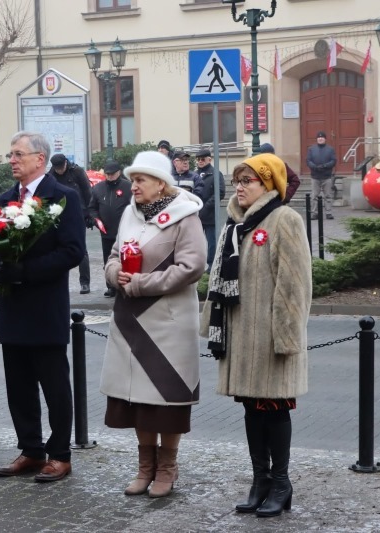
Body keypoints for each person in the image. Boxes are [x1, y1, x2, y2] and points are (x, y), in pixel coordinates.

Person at [201, 153, 311, 518]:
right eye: (237, 180)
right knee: (251, 409)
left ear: (268, 184)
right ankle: (260, 480)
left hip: (271, 337)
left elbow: (295, 285)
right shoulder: (235, 225)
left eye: (247, 180)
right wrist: (212, 326)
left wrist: (287, 335)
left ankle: (281, 482)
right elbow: (217, 280)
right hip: (240, 336)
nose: (239, 187)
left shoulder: (284, 219)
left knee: (274, 409)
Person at [100, 150, 206, 498]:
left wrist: (143, 284)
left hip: (167, 322)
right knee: (137, 400)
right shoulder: (129, 214)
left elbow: (192, 266)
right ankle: (145, 467)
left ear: (161, 183)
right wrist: (115, 274)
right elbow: (113, 255)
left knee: (166, 400)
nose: (133, 186)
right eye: (132, 180)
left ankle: (167, 468)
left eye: (140, 179)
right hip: (130, 319)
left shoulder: (185, 216)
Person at [0, 131, 85, 483]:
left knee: (54, 385)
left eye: (18, 154)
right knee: (18, 385)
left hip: (45, 306)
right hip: (12, 306)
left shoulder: (63, 197)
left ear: (39, 159)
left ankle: (60, 454)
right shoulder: (4, 199)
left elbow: (72, 251)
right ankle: (30, 449)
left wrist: (25, 271)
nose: (12, 160)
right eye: (11, 155)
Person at [88, 160, 132, 298]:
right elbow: (92, 208)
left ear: (119, 172)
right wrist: (96, 220)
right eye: (107, 174)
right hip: (106, 232)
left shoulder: (128, 186)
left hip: (125, 231)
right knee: (108, 260)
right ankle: (111, 286)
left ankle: (125, 284)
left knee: (125, 259)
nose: (109, 176)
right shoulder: (98, 188)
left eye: (112, 174)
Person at [49, 153, 92, 294]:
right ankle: (59, 283)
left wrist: (89, 213)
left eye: (61, 168)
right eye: (57, 169)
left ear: (66, 163)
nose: (59, 171)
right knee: (58, 250)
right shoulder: (51, 175)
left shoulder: (77, 171)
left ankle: (85, 283)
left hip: (78, 214)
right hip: (59, 215)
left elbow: (87, 192)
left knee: (81, 249)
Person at [196, 148, 226, 269]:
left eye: (202, 159)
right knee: (195, 241)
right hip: (196, 213)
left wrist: (206, 207)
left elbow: (220, 192)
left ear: (209, 159)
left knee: (212, 242)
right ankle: (197, 264)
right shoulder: (195, 174)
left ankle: (211, 265)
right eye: (198, 159)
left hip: (210, 214)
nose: (200, 161)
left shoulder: (215, 174)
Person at [305, 131, 337, 219]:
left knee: (328, 196)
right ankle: (314, 213)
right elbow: (308, 160)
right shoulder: (311, 149)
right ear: (317, 139)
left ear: (325, 139)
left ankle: (328, 213)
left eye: (322, 137)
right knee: (314, 196)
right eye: (319, 137)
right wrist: (314, 167)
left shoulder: (330, 149)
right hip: (315, 176)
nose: (320, 139)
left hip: (326, 176)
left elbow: (333, 161)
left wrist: (325, 166)